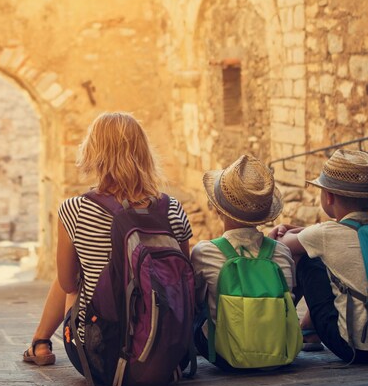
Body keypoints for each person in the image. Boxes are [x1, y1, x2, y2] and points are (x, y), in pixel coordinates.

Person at [22, 112, 193, 366]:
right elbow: (183, 277)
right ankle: (40, 341)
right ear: (144, 152)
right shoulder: (172, 208)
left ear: (93, 152)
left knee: (72, 277)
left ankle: (40, 342)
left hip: (100, 356)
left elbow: (67, 284)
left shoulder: (75, 209)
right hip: (165, 349)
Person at [271, 149, 368, 364]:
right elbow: (331, 233)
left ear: (329, 197)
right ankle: (308, 329)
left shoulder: (324, 234)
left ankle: (286, 332)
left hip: (356, 348)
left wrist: (281, 231)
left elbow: (282, 246)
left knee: (307, 260)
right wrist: (303, 232)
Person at [191, 154, 297, 370]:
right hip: (280, 352)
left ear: (218, 209)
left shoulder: (204, 252)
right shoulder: (282, 252)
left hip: (226, 358)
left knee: (197, 298)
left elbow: (194, 300)